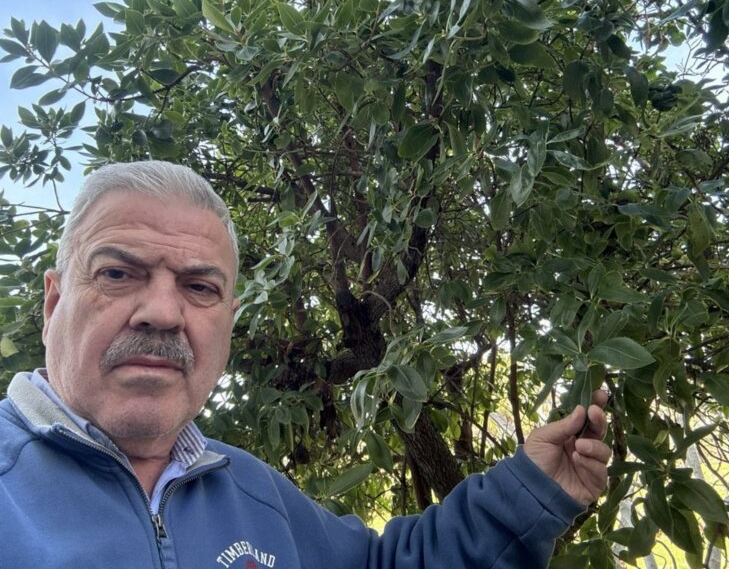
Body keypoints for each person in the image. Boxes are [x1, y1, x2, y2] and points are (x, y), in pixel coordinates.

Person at [0, 161, 611, 568]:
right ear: (53, 303)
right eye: (117, 273)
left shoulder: (253, 491)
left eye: (200, 287)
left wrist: (528, 491)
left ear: (228, 322)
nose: (162, 312)